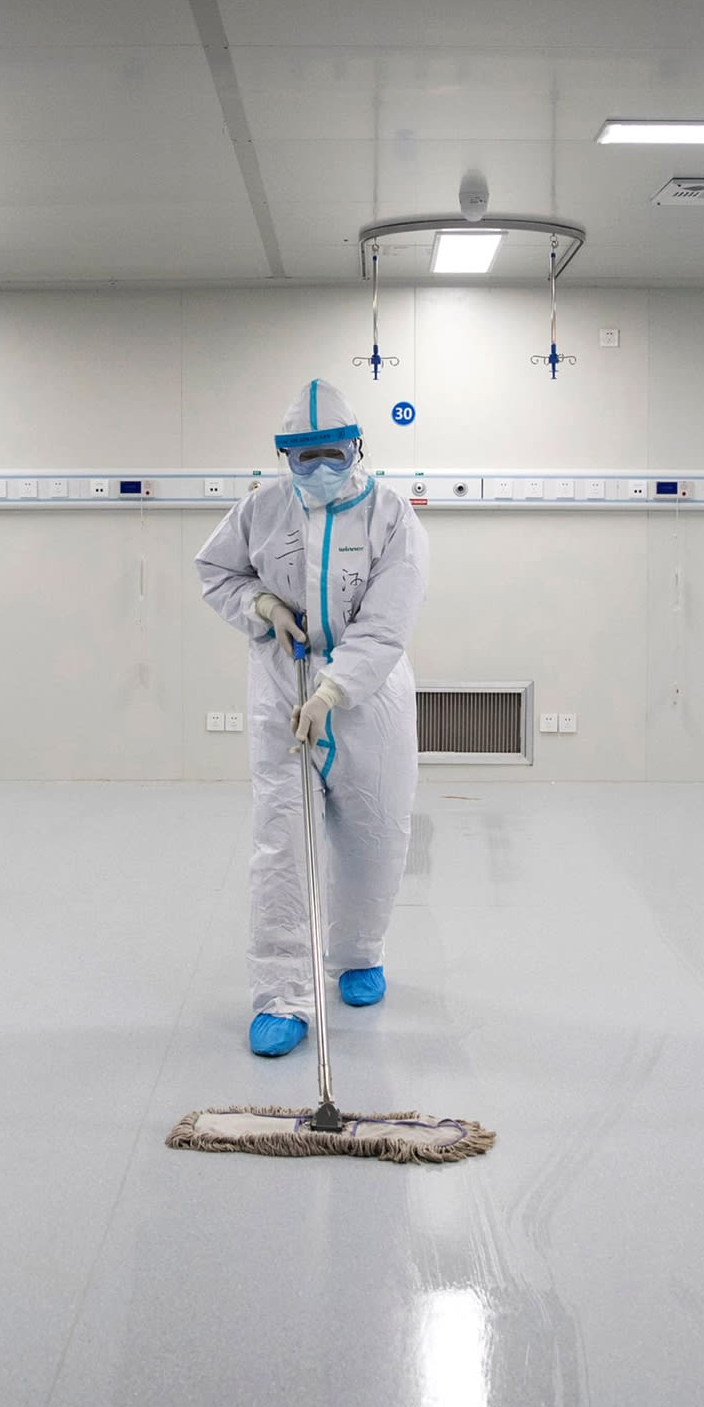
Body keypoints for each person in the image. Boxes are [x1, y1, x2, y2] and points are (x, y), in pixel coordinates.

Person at [195, 378, 430, 1057]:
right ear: (284, 457)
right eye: (306, 457)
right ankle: (282, 994)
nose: (322, 469)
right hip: (280, 684)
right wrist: (262, 608)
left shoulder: (392, 517)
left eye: (334, 453)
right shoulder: (261, 510)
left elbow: (387, 624)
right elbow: (217, 573)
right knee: (281, 843)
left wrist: (332, 693)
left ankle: (358, 953)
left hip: (369, 696)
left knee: (375, 832)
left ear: (358, 447)